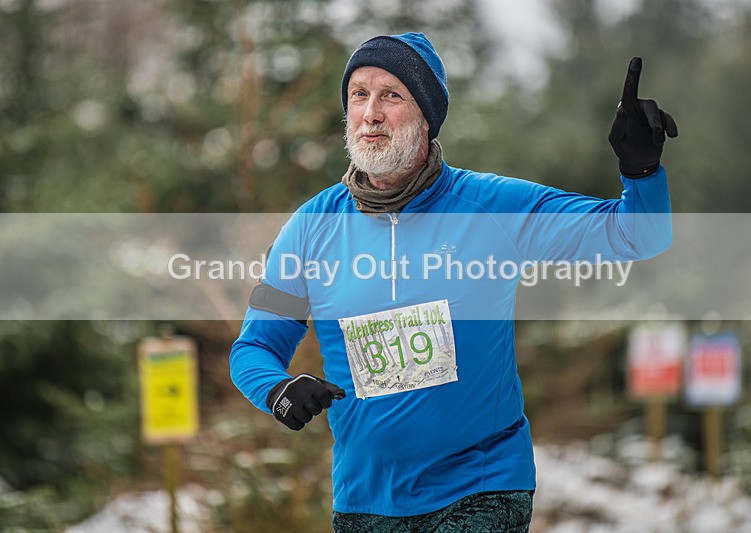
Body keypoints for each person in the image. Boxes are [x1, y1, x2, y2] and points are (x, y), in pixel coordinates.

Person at [230, 32, 677, 532]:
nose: (371, 113)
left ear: (426, 117)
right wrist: (278, 388)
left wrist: (641, 169)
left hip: (481, 488)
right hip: (365, 500)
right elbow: (253, 348)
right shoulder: (311, 228)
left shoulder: (492, 208)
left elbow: (637, 235)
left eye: (391, 96)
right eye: (359, 94)